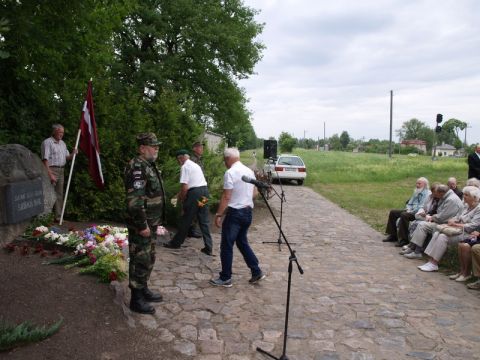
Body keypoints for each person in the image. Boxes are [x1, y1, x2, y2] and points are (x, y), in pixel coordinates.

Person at [209, 147, 266, 287]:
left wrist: (218, 214)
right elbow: (255, 192)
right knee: (241, 242)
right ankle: (256, 271)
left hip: (235, 214)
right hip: (247, 212)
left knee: (226, 245)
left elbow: (226, 196)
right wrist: (243, 197)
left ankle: (225, 278)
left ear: (228, 159)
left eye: (224, 160)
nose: (224, 163)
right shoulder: (249, 171)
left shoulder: (230, 173)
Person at [124, 132, 166, 314]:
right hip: (142, 225)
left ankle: (143, 288)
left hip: (151, 223)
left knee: (148, 258)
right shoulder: (137, 167)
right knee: (140, 259)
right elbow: (135, 202)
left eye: (157, 145)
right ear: (142, 148)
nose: (157, 148)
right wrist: (142, 226)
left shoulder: (149, 165)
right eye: (153, 146)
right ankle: (136, 298)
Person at [418, 186, 480, 272]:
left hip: (468, 233)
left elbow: (473, 226)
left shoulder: (478, 209)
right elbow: (458, 217)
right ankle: (430, 260)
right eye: (464, 194)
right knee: (437, 233)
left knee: (443, 237)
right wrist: (453, 220)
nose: (464, 196)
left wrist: (456, 224)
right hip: (457, 230)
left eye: (466, 195)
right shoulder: (466, 206)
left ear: (474, 197)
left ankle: (434, 263)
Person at [163, 150, 213, 255]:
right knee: (203, 220)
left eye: (178, 160)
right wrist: (178, 195)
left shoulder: (185, 167)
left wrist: (181, 199)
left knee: (186, 218)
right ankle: (209, 247)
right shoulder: (195, 165)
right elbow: (193, 184)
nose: (178, 162)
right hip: (204, 193)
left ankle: (176, 243)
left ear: (181, 158)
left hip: (195, 194)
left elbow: (185, 187)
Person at [404, 184, 464, 259]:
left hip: (447, 224)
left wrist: (432, 217)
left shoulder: (451, 200)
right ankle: (413, 248)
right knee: (422, 224)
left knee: (422, 225)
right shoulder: (447, 197)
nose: (436, 196)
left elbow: (443, 217)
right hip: (442, 222)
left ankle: (416, 252)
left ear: (441, 193)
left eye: (437, 194)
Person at [41, 124, 77, 221]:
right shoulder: (47, 142)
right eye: (60, 132)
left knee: (59, 194)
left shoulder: (63, 143)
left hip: (61, 170)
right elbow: (45, 160)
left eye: (63, 132)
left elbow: (67, 157)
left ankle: (58, 217)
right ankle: (44, 217)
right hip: (51, 169)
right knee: (48, 193)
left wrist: (73, 153)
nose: (62, 134)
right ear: (54, 132)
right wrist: (50, 174)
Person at [383, 177, 430, 246]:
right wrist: (408, 208)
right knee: (393, 212)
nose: (417, 185)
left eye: (419, 184)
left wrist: (411, 211)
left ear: (425, 185)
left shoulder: (427, 194)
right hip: (410, 210)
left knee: (404, 215)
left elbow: (422, 206)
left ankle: (404, 240)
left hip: (418, 213)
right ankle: (393, 235)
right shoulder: (416, 191)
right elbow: (410, 202)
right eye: (416, 183)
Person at [187, 141, 206, 238]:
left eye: (202, 147)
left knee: (201, 207)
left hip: (202, 188)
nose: (202, 149)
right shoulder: (192, 160)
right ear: (194, 149)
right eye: (200, 147)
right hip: (195, 188)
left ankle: (193, 228)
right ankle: (189, 230)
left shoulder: (200, 159)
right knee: (193, 209)